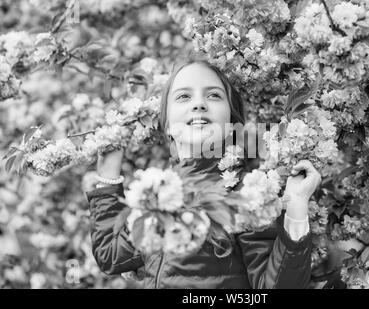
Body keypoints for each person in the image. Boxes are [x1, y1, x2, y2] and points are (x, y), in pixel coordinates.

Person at [85, 59, 322, 289]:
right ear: (167, 125)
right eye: (184, 96)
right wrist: (106, 175)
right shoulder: (156, 193)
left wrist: (297, 206)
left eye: (214, 95)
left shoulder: (247, 192)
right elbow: (111, 256)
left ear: (232, 121)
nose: (199, 104)